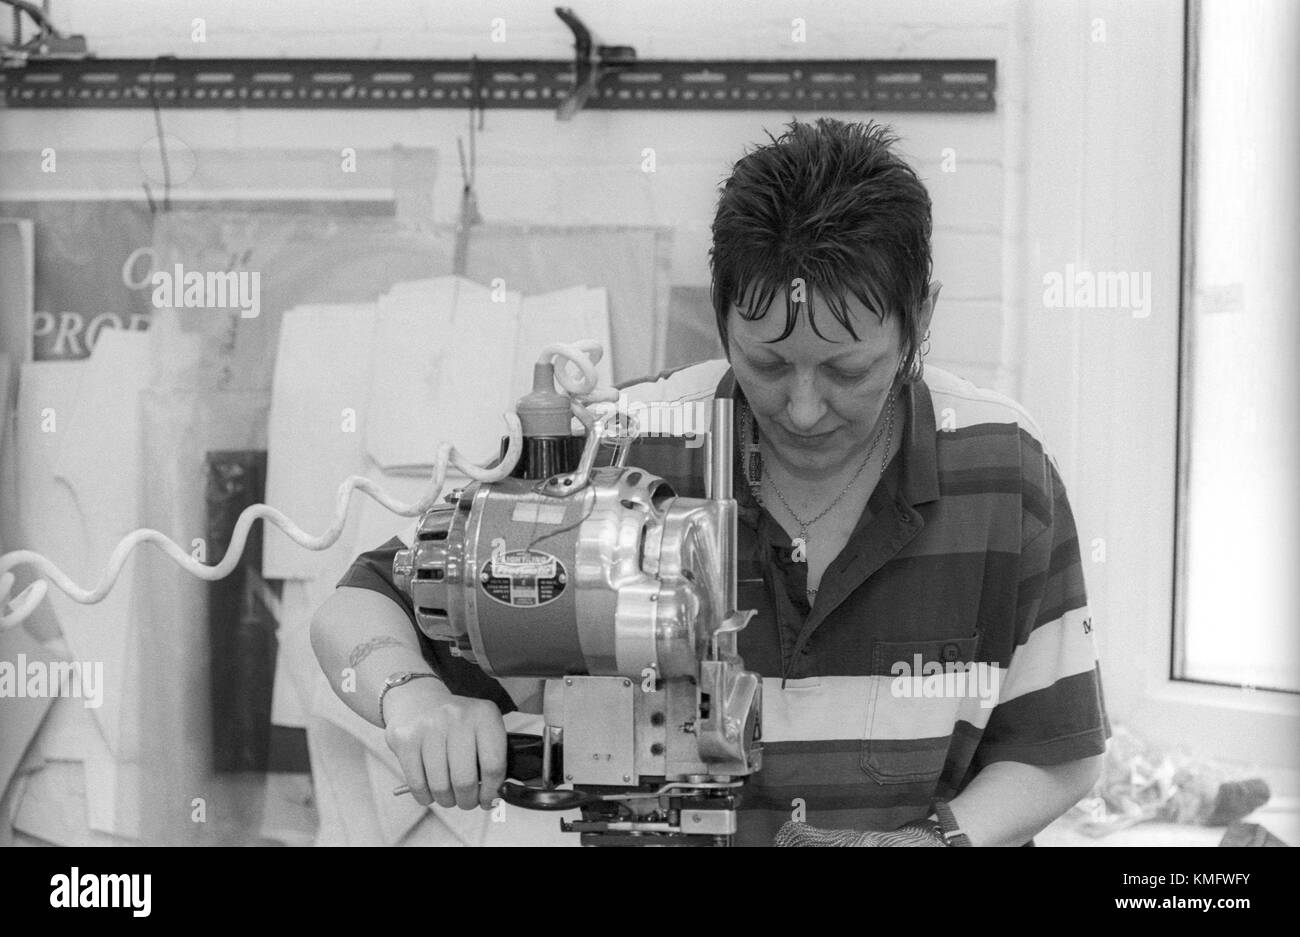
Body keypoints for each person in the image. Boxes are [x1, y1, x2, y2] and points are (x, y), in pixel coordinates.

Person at [311, 117, 1109, 847]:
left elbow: (1057, 747)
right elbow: (359, 600)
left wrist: (940, 841)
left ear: (920, 322)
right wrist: (414, 697)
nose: (802, 407)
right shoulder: (621, 445)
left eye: (846, 369)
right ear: (720, 315)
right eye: (766, 362)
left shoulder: (1001, 469)